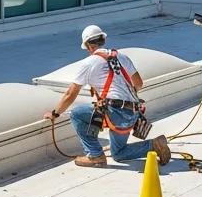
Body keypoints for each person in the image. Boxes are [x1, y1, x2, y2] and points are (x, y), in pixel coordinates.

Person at [43, 24, 171, 168]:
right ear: (103, 40)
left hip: (116, 113)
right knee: (119, 153)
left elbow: (70, 94)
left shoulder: (88, 63)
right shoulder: (121, 56)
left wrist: (55, 114)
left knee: (77, 114)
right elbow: (139, 84)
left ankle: (95, 155)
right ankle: (154, 145)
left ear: (88, 46)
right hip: (133, 112)